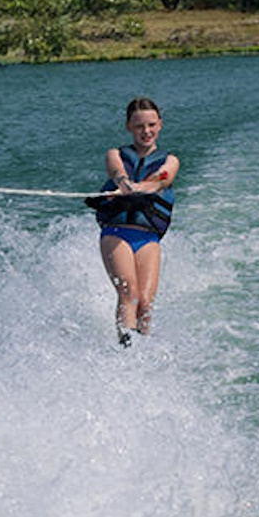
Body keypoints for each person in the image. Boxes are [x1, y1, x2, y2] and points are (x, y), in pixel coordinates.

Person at [88, 97, 178, 346]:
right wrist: (124, 184)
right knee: (130, 293)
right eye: (139, 126)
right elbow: (116, 171)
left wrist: (143, 187)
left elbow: (163, 178)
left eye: (151, 125)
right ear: (128, 127)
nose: (146, 131)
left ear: (160, 125)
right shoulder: (115, 154)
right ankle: (126, 351)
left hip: (148, 237)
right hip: (116, 234)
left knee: (145, 303)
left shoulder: (170, 160)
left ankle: (144, 352)